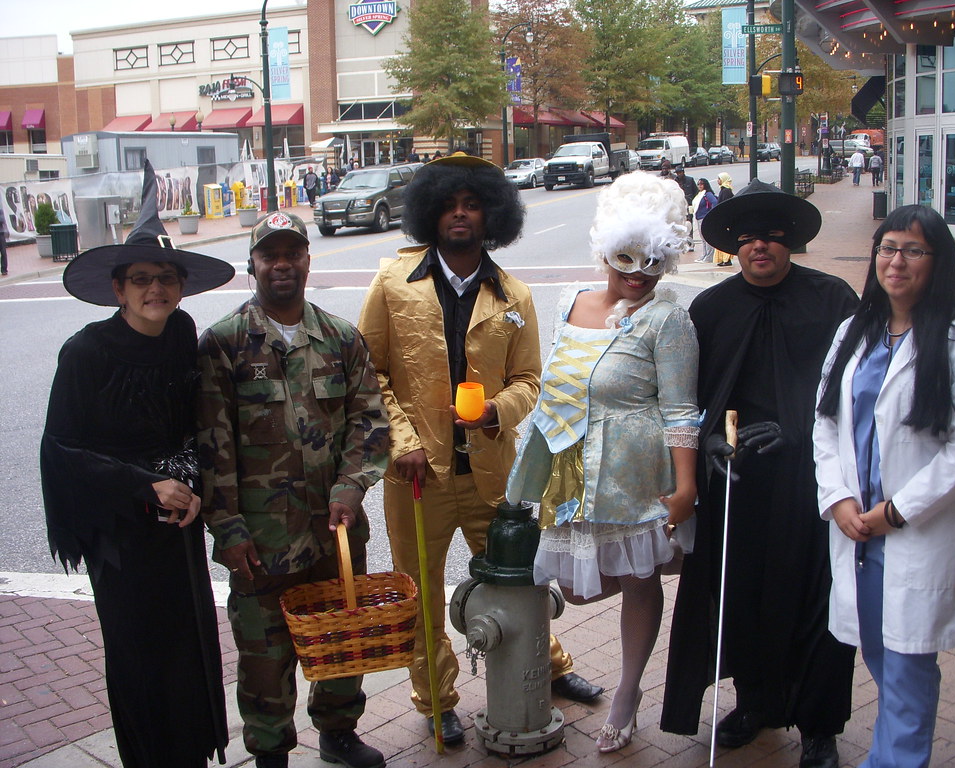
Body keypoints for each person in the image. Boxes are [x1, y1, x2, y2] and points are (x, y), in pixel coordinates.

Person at [358, 152, 603, 746]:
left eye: (471, 205)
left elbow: (531, 380)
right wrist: (403, 441)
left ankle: (548, 667)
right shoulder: (393, 282)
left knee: (518, 579)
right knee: (419, 589)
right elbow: (368, 371)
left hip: (491, 471)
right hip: (417, 475)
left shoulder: (513, 294)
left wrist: (498, 410)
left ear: (492, 214)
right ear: (430, 214)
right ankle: (436, 698)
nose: (460, 215)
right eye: (449, 205)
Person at [661, 180, 859, 768]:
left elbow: (854, 393)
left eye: (771, 236)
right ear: (734, 246)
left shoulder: (832, 300)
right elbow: (691, 398)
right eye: (747, 237)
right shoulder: (711, 308)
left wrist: (797, 431)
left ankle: (819, 726)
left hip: (813, 483)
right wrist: (710, 443)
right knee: (740, 597)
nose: (759, 246)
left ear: (789, 241)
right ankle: (755, 703)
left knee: (818, 602)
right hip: (738, 484)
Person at [41, 161, 233, 768]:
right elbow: (61, 451)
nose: (157, 289)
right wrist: (146, 486)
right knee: (140, 654)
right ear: (119, 289)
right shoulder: (86, 352)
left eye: (167, 278)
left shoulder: (180, 333)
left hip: (175, 524)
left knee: (188, 646)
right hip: (119, 531)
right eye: (142, 279)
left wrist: (190, 486)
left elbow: (190, 423)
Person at [507, 172, 699, 753]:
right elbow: (555, 383)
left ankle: (628, 691)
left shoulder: (668, 319)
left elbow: (681, 409)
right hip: (569, 466)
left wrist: (685, 486)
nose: (638, 273)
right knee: (576, 587)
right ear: (605, 249)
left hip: (632, 472)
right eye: (626, 257)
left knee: (639, 579)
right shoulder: (570, 301)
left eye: (653, 261)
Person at [197, 211, 390, 768]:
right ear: (252, 264)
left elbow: (369, 420)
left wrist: (351, 486)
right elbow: (212, 448)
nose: (281, 264)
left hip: (334, 530)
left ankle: (338, 732)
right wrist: (229, 530)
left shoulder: (340, 337)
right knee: (264, 652)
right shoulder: (224, 344)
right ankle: (270, 752)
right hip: (261, 539)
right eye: (269, 255)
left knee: (341, 635)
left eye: (292, 254)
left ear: (308, 261)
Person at [813, 205, 955, 768]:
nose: (897, 261)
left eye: (914, 251)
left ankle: (894, 760)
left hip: (912, 529)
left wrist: (895, 512)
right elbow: (825, 422)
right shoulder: (854, 332)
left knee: (909, 662)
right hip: (858, 529)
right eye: (888, 247)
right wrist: (838, 498)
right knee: (877, 648)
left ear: (937, 262)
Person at [692, 177, 718, 264]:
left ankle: (709, 257)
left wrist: (711, 213)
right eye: (698, 184)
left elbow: (714, 202)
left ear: (705, 185)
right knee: (703, 238)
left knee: (707, 238)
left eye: (701, 184)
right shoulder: (700, 194)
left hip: (704, 218)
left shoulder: (708, 194)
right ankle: (705, 255)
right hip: (699, 218)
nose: (699, 186)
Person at [713, 173, 734, 267]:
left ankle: (726, 259)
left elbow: (725, 205)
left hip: (725, 219)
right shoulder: (724, 190)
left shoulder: (726, 191)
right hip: (723, 219)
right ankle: (723, 259)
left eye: (719, 179)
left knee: (724, 238)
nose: (718, 180)